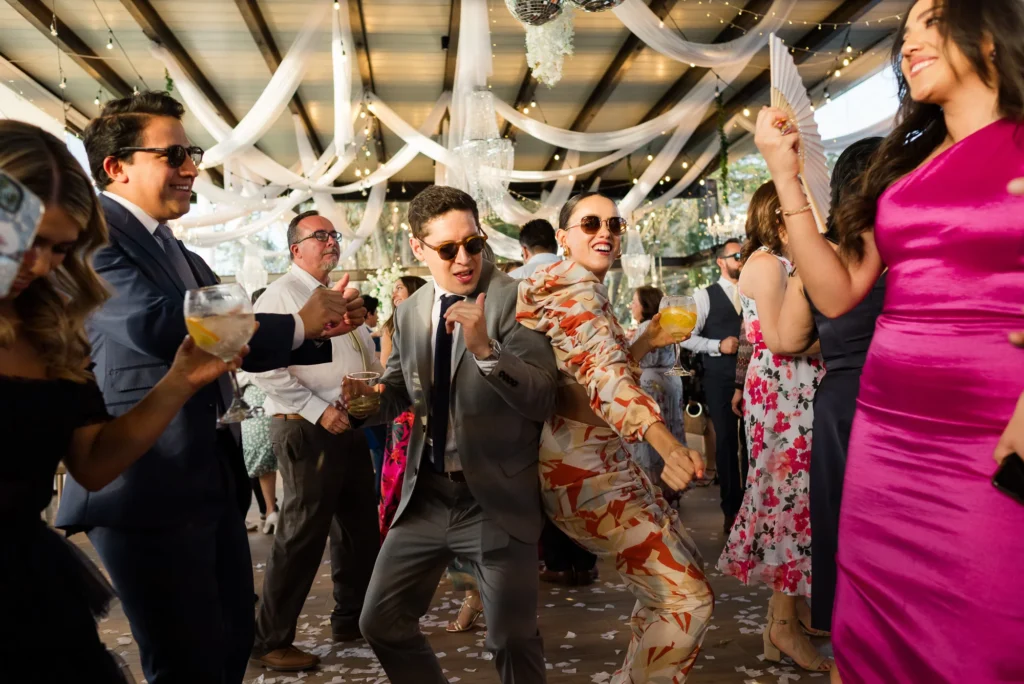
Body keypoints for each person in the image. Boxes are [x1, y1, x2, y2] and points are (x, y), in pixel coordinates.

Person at [55, 91, 367, 684]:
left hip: (205, 475)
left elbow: (231, 336)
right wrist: (300, 323)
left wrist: (319, 327)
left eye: (191, 153)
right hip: (143, 476)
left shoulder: (180, 250)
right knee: (184, 659)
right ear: (116, 167)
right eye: (173, 156)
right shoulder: (93, 235)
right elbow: (161, 326)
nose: (192, 168)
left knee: (228, 644)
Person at [755, 1, 1024, 680]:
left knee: (985, 634)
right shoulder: (904, 163)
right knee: (875, 631)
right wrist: (787, 179)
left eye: (930, 25)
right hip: (886, 432)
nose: (909, 46)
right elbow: (839, 293)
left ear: (991, 37)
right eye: (903, 37)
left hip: (993, 427)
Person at [0, 120, 246, 682]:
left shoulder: (48, 326)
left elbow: (93, 462)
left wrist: (179, 381)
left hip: (27, 583)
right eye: (26, 240)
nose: (39, 266)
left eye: (60, 249)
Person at [348, 186, 558, 684]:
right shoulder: (410, 309)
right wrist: (368, 402)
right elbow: (401, 390)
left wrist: (487, 350)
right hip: (426, 495)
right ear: (418, 249)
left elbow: (541, 397)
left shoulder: (515, 298)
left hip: (496, 496)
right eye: (447, 249)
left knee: (511, 637)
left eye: (473, 243)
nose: (464, 259)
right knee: (379, 620)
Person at [517, 192, 713, 682]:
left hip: (595, 458)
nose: (605, 231)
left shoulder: (574, 285)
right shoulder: (576, 289)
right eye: (589, 223)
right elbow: (605, 379)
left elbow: (590, 364)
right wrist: (668, 445)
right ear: (562, 237)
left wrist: (645, 338)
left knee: (663, 596)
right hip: (584, 468)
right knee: (687, 598)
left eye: (613, 223)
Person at [249, 210, 382, 671]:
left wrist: (370, 390)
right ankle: (271, 639)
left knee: (360, 529)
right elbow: (263, 366)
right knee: (301, 536)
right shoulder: (279, 295)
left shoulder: (336, 297)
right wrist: (319, 409)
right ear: (295, 249)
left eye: (334, 235)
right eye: (319, 235)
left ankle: (352, 617)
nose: (330, 242)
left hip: (349, 424)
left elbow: (360, 352)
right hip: (306, 426)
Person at [772, 138, 884, 636]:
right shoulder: (906, 249)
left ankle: (849, 636)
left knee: (844, 527)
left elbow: (787, 339)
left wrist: (835, 343)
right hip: (893, 395)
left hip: (838, 405)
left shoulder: (820, 260)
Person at [716, 182, 829, 672]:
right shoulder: (765, 263)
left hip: (794, 387)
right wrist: (841, 343)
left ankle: (791, 613)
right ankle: (783, 623)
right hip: (785, 388)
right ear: (777, 215)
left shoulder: (786, 261)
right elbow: (782, 340)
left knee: (799, 495)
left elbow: (752, 338)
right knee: (789, 495)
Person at [681, 238, 746, 533]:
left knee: (752, 442)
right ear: (721, 261)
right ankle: (731, 509)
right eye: (736, 256)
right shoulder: (704, 296)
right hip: (719, 378)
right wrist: (717, 345)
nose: (741, 260)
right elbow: (686, 336)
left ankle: (754, 508)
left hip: (752, 378)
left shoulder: (753, 291)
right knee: (727, 443)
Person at [627, 285, 686, 495]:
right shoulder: (666, 324)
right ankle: (672, 488)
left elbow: (643, 359)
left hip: (651, 383)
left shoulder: (646, 328)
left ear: (645, 305)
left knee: (652, 434)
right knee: (671, 428)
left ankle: (653, 487)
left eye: (634, 302)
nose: (631, 307)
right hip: (671, 381)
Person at [239, 288, 279, 536]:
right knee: (259, 455)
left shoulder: (281, 331)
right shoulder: (242, 334)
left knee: (275, 455)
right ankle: (270, 510)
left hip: (274, 397)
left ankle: (272, 511)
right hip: (254, 399)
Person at [379, 275, 427, 365]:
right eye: (393, 291)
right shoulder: (390, 327)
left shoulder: (434, 319)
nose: (393, 295)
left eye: (399, 288)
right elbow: (385, 365)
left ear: (415, 290)